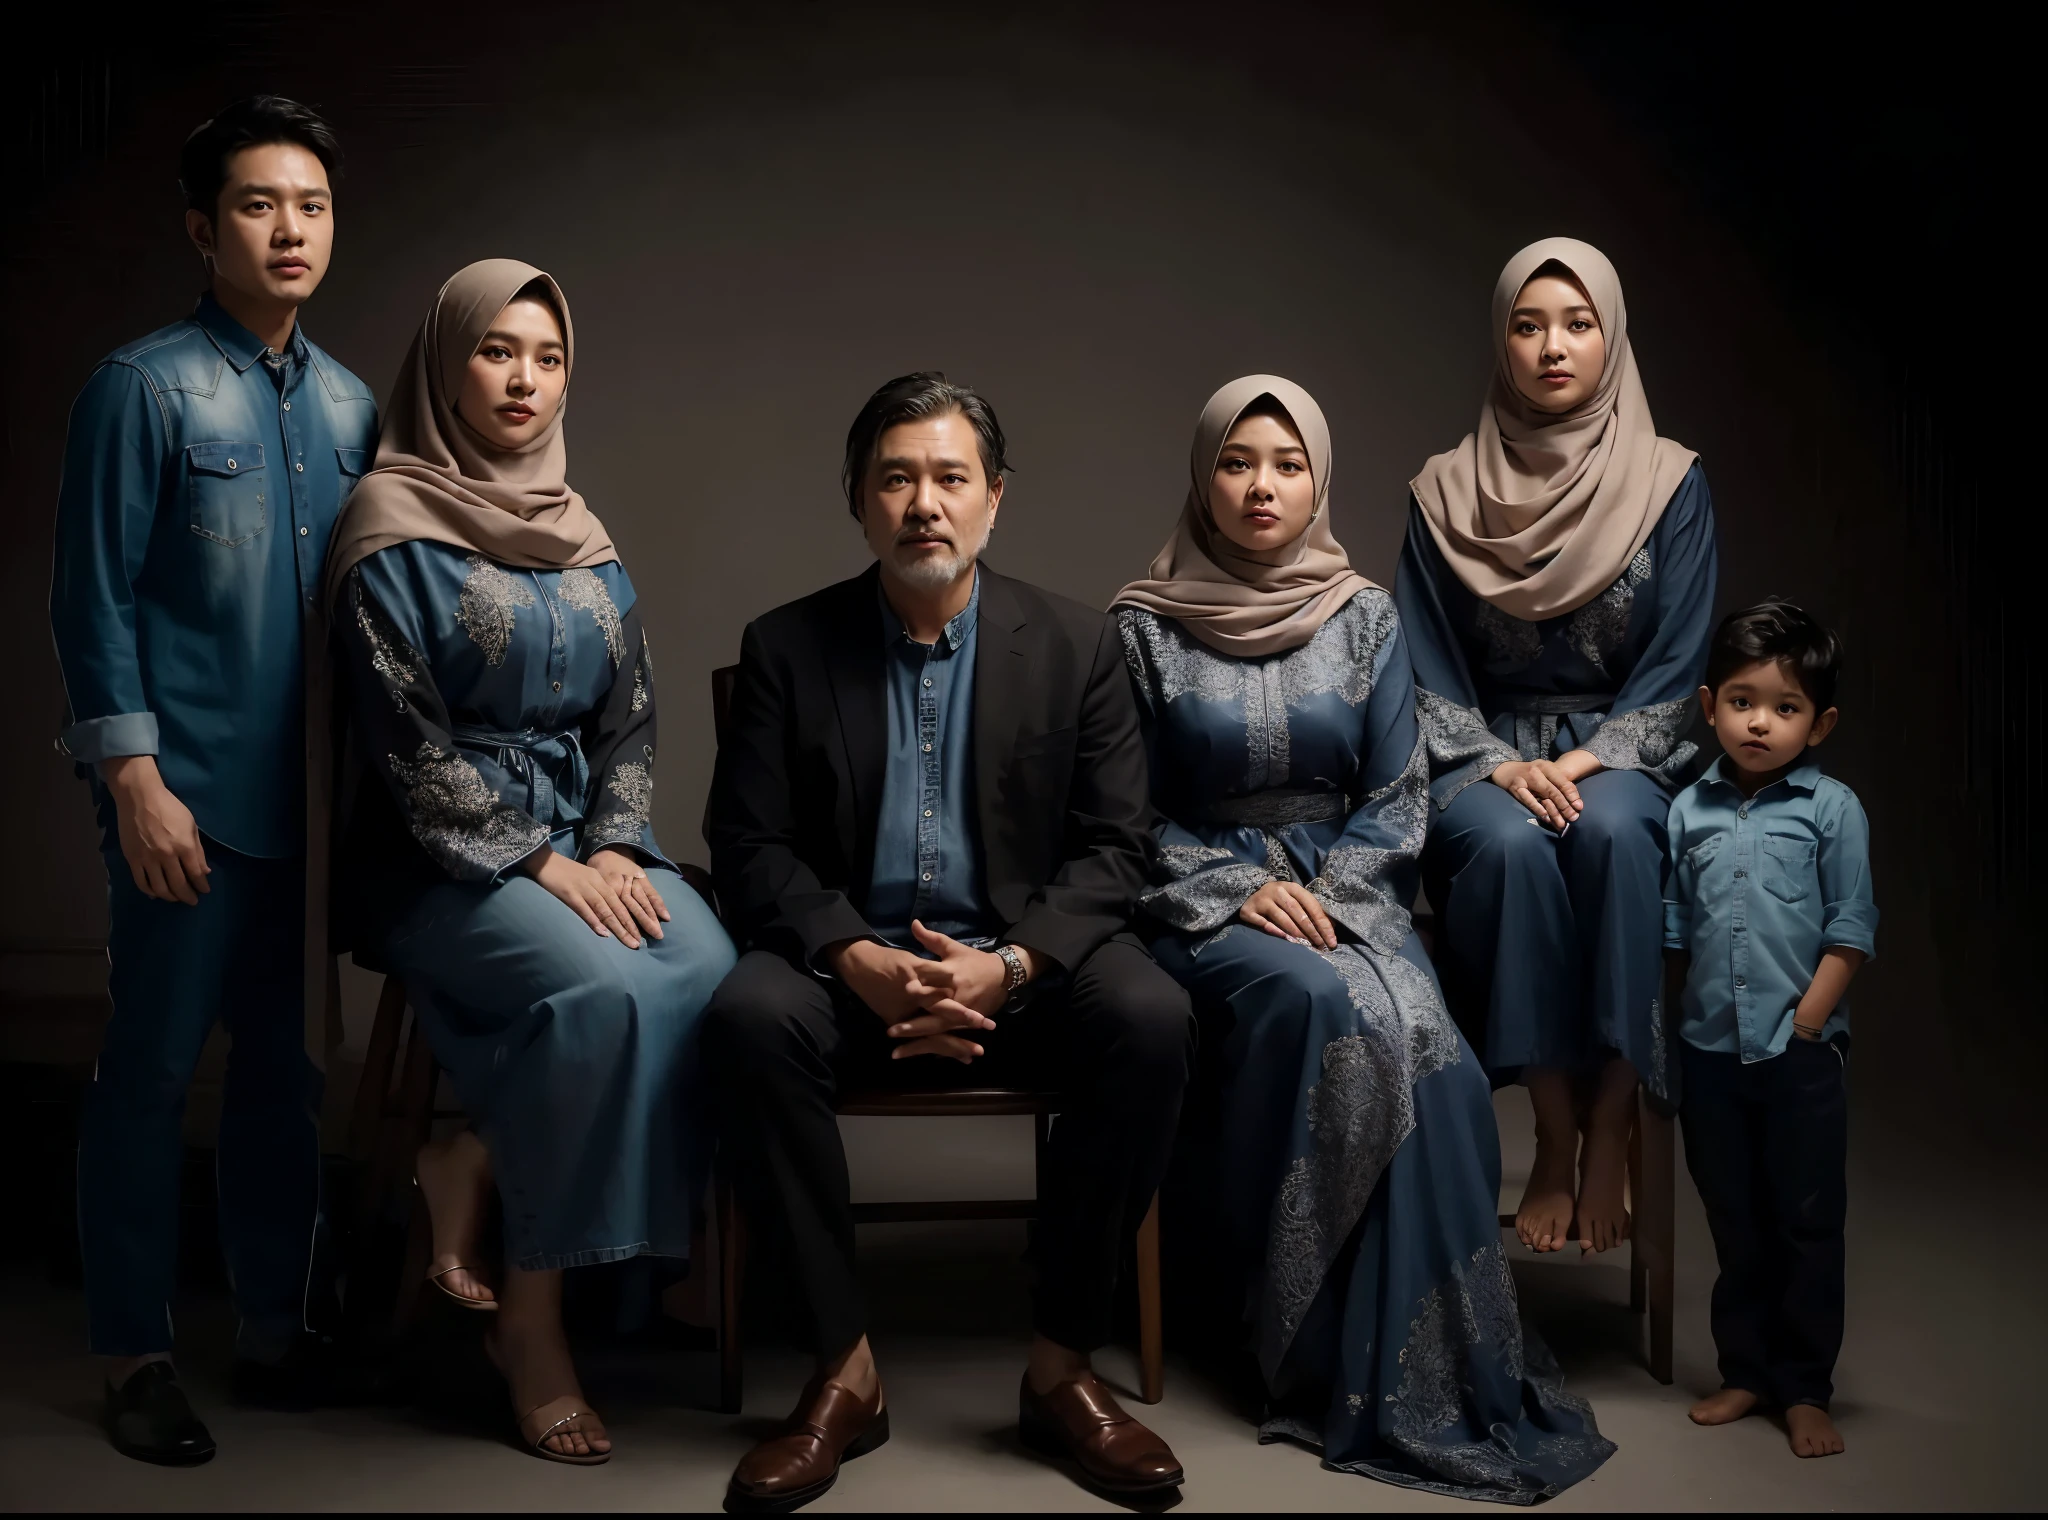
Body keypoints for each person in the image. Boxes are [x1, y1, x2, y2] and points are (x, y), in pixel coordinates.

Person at [1115, 375, 1614, 1500]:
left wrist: (1335, 894)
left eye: (1287, 465)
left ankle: (1439, 1367)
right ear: (1202, 475)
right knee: (1329, 1006)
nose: (1260, 486)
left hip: (1348, 892)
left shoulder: (1365, 614)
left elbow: (1397, 792)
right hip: (1200, 906)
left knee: (1424, 1034)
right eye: (1237, 461)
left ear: (1317, 482)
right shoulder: (1139, 623)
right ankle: (1301, 1336)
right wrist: (1232, 889)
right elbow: (1121, 815)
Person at [703, 372, 1195, 1512]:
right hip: (848, 971)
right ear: (858, 501)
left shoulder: (1078, 645)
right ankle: (843, 1368)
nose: (923, 502)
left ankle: (1060, 1363)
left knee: (1151, 1016)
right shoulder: (787, 645)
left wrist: (1010, 963)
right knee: (743, 1016)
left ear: (993, 500)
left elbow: (1115, 849)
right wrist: (851, 957)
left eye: (949, 478)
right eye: (895, 478)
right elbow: (748, 845)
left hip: (1019, 968)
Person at [325, 258, 736, 1464]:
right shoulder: (386, 529)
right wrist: (539, 865)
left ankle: (479, 1153)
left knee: (713, 968)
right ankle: (535, 1321)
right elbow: (402, 740)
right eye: (497, 350)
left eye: (547, 356)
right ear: (445, 363)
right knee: (602, 986)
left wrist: (609, 841)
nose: (524, 378)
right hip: (438, 859)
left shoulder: (581, 531)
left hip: (584, 840)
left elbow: (632, 719)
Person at [49, 96, 377, 1466]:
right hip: (185, 804)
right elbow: (92, 596)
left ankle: (271, 1328)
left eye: (308, 204)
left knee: (285, 1084)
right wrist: (133, 780)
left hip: (310, 811)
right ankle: (133, 1354)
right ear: (204, 228)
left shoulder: (356, 404)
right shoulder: (145, 387)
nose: (288, 228)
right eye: (257, 205)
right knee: (148, 1075)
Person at [1397, 236, 1718, 1256]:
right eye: (1526, 324)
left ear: (1610, 336)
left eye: (1576, 323)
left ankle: (1616, 1118)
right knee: (1501, 847)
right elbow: (1420, 662)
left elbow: (1678, 662)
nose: (1550, 345)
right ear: (1499, 340)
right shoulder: (1441, 492)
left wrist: (1582, 760)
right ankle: (1550, 1124)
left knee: (1618, 838)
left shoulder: (1671, 484)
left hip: (1623, 751)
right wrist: (1496, 762)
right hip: (1481, 755)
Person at [1663, 602, 1872, 1458]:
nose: (1760, 722)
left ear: (1818, 723)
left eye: (1785, 708)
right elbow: (1676, 932)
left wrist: (1807, 1025)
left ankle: (1805, 1388)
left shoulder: (1831, 810)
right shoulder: (1689, 812)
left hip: (1798, 1060)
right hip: (1710, 1055)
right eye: (1743, 701)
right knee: (1734, 1219)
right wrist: (1678, 1030)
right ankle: (1745, 1370)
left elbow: (1851, 930)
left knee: (1806, 1223)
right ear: (1711, 704)